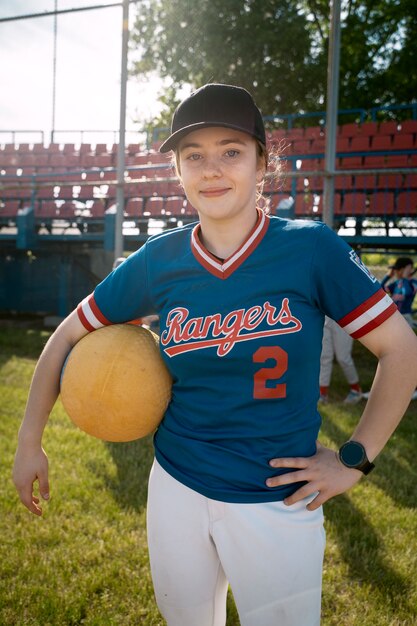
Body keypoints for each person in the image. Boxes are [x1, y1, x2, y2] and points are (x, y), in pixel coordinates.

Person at [13, 84, 417, 626]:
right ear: (177, 171)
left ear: (262, 163)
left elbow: (401, 349)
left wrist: (354, 459)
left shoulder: (309, 247)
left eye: (231, 151)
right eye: (193, 156)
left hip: (277, 498)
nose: (212, 170)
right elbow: (65, 336)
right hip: (177, 482)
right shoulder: (161, 259)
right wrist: (29, 441)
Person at [319, 316, 363, 404]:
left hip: (343, 316)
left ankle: (356, 390)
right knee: (324, 356)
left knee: (343, 358)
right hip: (324, 315)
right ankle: (322, 394)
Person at [381, 256, 417, 328]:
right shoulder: (396, 283)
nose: (395, 272)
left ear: (404, 270)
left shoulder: (413, 283)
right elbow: (380, 290)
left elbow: (407, 293)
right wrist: (387, 276)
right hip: (393, 315)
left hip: (405, 316)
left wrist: (405, 277)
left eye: (397, 269)